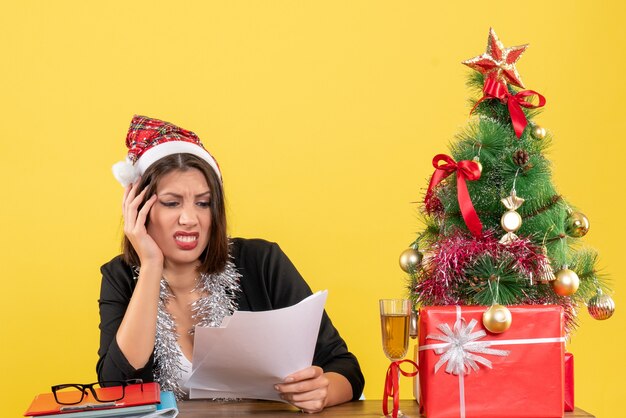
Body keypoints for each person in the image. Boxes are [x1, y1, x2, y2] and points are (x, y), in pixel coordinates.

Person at [97, 115, 364, 413]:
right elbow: (115, 387)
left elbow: (345, 367)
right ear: (140, 208)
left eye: (203, 203)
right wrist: (150, 264)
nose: (190, 219)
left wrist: (322, 392)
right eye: (171, 203)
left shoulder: (262, 262)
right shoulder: (121, 276)